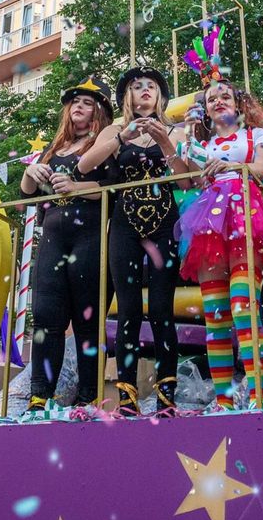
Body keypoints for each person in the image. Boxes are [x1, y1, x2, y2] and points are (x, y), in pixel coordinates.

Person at [78, 65, 192, 415]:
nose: (145, 90)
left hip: (165, 221)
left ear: (160, 97)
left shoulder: (176, 130)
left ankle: (166, 399)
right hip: (124, 223)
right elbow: (84, 166)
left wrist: (165, 142)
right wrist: (122, 138)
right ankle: (127, 400)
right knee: (127, 310)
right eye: (137, 85)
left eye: (151, 86)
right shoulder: (114, 129)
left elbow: (185, 181)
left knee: (160, 309)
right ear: (127, 96)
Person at [176, 79, 263, 408]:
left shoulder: (255, 136)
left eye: (225, 95)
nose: (218, 101)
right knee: (215, 315)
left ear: (238, 103)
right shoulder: (203, 144)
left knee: (244, 306)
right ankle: (224, 403)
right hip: (208, 224)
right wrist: (188, 133)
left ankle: (257, 397)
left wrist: (231, 166)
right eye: (210, 99)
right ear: (205, 110)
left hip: (246, 218)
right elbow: (193, 179)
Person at [21, 78, 116, 413]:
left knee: (88, 320)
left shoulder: (105, 145)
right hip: (52, 239)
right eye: (75, 101)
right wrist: (31, 171)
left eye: (88, 102)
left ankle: (89, 397)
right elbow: (26, 195)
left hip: (89, 238)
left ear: (99, 111)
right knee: (46, 316)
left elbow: (115, 187)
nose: (79, 106)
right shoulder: (54, 147)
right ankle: (39, 396)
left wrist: (76, 187)